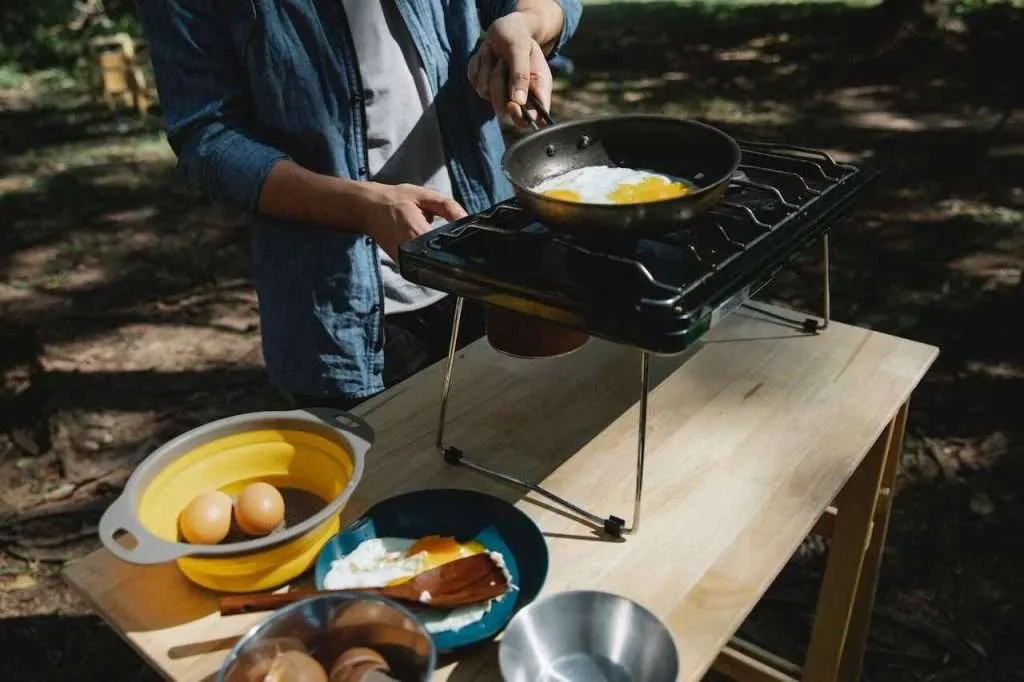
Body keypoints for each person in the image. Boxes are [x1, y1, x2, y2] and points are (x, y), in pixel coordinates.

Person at [134, 0, 583, 409]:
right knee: (385, 489)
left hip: (489, 268)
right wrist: (361, 207)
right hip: (343, 311)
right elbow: (208, 139)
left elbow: (553, 6)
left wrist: (526, 25)